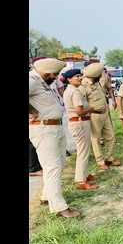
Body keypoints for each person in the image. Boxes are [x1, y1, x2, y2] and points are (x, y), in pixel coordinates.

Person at [29, 57, 80, 218]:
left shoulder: (43, 82)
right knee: (52, 167)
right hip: (43, 129)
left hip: (55, 127)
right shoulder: (32, 80)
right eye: (54, 74)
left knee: (59, 164)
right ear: (45, 71)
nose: (56, 78)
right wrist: (31, 111)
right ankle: (59, 207)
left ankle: (46, 196)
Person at [80, 63, 121, 170]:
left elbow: (106, 92)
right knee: (96, 139)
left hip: (105, 113)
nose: (101, 76)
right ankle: (100, 161)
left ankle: (109, 157)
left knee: (111, 136)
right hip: (94, 116)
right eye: (99, 74)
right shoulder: (84, 85)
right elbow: (81, 102)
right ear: (95, 74)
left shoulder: (96, 82)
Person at [62, 68, 99, 190]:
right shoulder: (75, 92)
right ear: (69, 79)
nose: (79, 78)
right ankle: (81, 181)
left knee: (84, 150)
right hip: (80, 123)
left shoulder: (71, 90)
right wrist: (90, 109)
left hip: (79, 123)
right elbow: (79, 112)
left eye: (80, 76)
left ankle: (85, 174)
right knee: (83, 152)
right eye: (77, 76)